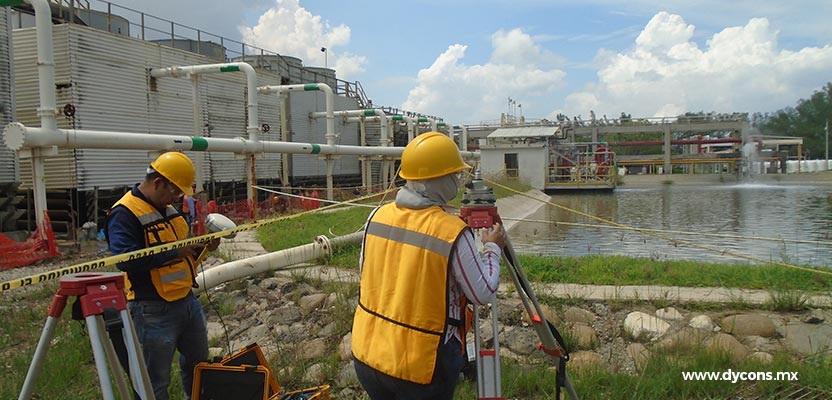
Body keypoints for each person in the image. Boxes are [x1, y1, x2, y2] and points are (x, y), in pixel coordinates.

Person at [351, 132, 506, 399]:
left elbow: (367, 273)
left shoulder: (377, 216)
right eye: (453, 175)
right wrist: (492, 247)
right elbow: (482, 293)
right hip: (421, 365)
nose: (457, 181)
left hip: (369, 354)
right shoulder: (451, 231)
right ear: (439, 180)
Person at [105, 152, 220, 400]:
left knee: (199, 368)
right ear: (158, 182)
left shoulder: (167, 210)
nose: (177, 198)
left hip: (187, 301)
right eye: (175, 192)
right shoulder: (124, 213)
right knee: (154, 383)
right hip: (151, 309)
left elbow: (179, 256)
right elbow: (124, 259)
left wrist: (202, 248)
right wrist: (173, 251)